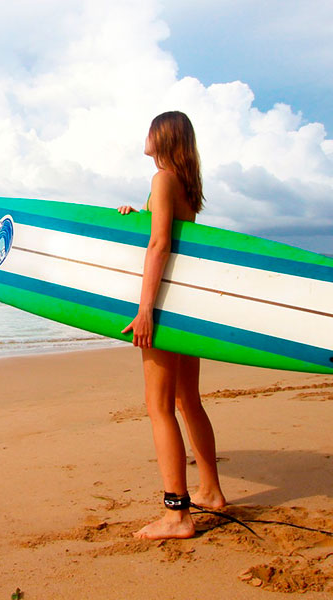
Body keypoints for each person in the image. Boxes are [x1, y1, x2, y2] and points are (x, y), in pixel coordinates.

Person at [117, 111, 226, 540]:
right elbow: (164, 233)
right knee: (188, 401)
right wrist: (134, 215)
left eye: (149, 130)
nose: (143, 136)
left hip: (161, 305)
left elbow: (160, 244)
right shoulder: (183, 183)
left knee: (158, 406)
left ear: (161, 136)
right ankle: (211, 491)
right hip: (185, 306)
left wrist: (145, 311)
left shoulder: (162, 179)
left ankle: (177, 514)